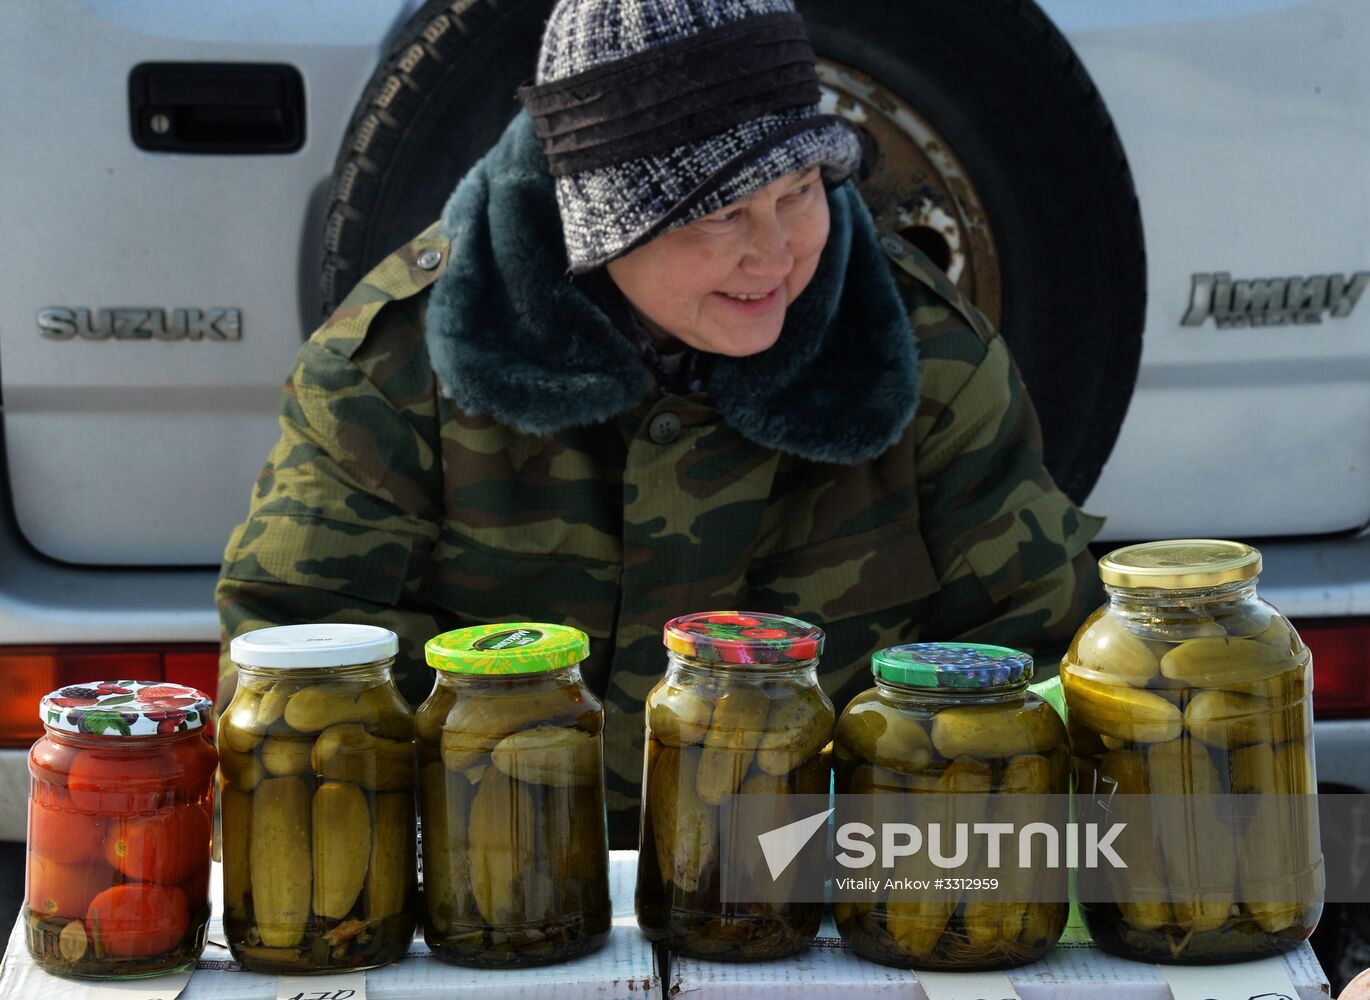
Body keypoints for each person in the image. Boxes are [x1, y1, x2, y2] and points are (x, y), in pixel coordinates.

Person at [215, 0, 1104, 846]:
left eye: (800, 190)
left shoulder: (925, 357)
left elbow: (1040, 658)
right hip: (494, 902)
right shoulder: (400, 369)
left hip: (833, 894)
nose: (778, 251)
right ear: (599, 226)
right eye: (722, 213)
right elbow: (299, 676)